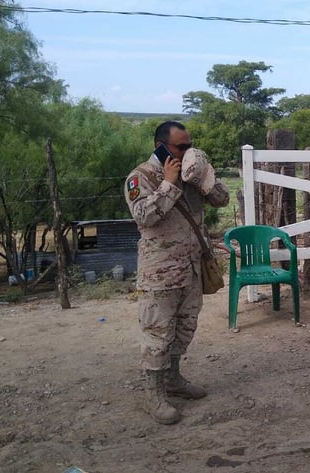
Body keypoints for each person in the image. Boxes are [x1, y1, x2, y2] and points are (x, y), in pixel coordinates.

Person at [125, 121, 230, 424]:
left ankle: (173, 379)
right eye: (181, 147)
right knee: (158, 333)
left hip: (192, 267)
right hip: (160, 272)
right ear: (160, 145)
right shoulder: (140, 177)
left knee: (185, 328)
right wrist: (169, 184)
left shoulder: (191, 171)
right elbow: (145, 217)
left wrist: (205, 178)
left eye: (190, 145)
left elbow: (221, 200)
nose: (187, 151)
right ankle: (154, 394)